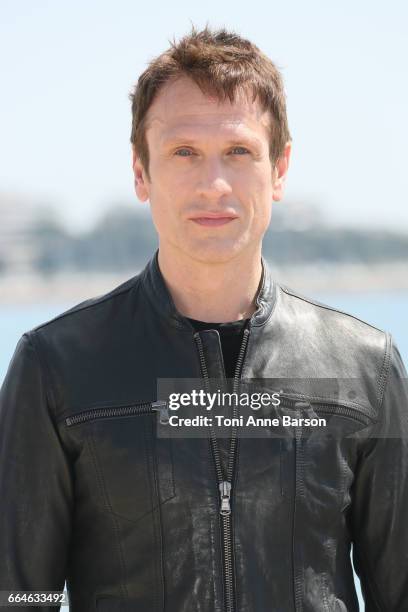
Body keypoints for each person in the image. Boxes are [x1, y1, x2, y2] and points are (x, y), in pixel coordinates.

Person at [1, 25, 407, 612]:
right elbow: (20, 594)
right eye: (183, 153)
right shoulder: (57, 366)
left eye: (238, 152)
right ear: (142, 172)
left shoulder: (365, 372)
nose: (213, 184)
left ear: (279, 170)